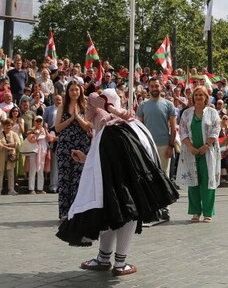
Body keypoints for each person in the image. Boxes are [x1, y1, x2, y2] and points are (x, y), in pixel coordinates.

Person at [56, 90, 178, 277]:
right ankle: (110, 260)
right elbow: (103, 153)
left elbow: (99, 100)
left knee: (124, 202)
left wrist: (116, 111)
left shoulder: (105, 111)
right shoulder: (112, 125)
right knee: (116, 203)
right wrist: (86, 159)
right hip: (119, 148)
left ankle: (114, 260)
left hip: (118, 143)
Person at [176, 85, 220, 222]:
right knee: (193, 182)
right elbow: (182, 130)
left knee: (207, 182)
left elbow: (216, 129)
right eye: (196, 95)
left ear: (206, 97)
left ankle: (208, 213)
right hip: (191, 153)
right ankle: (195, 212)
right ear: (193, 97)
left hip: (207, 152)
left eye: (201, 95)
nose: (198, 97)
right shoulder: (187, 113)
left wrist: (206, 145)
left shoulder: (213, 113)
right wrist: (190, 147)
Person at [54, 81, 91, 220]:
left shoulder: (85, 106)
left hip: (81, 145)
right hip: (65, 146)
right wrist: (71, 118)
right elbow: (57, 128)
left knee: (79, 178)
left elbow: (87, 127)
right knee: (64, 179)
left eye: (77, 90)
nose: (74, 92)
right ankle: (64, 212)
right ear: (68, 92)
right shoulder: (62, 107)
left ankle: (77, 210)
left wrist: (78, 118)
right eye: (71, 90)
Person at [136, 77, 177, 177]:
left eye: (157, 86)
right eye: (152, 86)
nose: (154, 88)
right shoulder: (142, 105)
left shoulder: (169, 105)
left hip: (164, 145)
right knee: (149, 175)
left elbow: (174, 128)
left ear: (161, 87)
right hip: (147, 145)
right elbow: (139, 128)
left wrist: (171, 146)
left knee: (163, 176)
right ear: (148, 88)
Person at [0, 118, 21, 195]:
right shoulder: (0, 134)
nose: (8, 127)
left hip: (10, 156)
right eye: (6, 125)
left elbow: (18, 143)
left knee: (11, 173)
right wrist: (5, 147)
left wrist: (11, 145)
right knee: (0, 172)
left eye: (9, 125)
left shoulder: (14, 134)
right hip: (1, 155)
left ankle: (11, 189)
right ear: (4, 126)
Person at [26, 116, 49, 194]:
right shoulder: (31, 130)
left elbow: (49, 138)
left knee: (41, 170)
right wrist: (38, 133)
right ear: (34, 122)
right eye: (37, 121)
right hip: (34, 152)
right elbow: (32, 140)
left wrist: (46, 130)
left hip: (42, 152)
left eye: (40, 121)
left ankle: (40, 188)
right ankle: (31, 188)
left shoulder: (44, 130)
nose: (39, 123)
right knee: (33, 169)